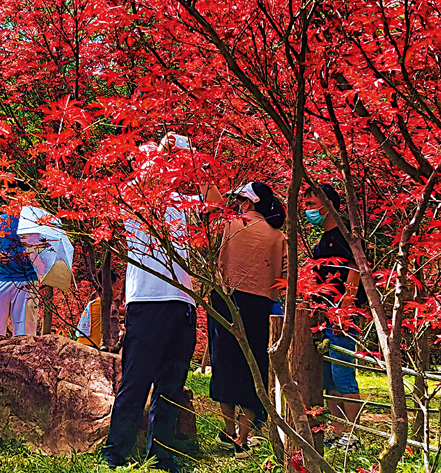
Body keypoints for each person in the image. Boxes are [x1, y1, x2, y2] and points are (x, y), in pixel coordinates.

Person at [103, 133, 221, 472]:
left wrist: (190, 156)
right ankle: (116, 451)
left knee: (172, 383)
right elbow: (132, 186)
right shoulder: (135, 200)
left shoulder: (182, 204)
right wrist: (158, 156)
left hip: (183, 302)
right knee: (136, 380)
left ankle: (163, 454)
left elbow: (214, 204)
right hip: (147, 302)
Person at [209, 182, 288, 457]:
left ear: (250, 202)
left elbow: (218, 262)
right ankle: (244, 437)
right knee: (254, 364)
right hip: (260, 306)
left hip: (227, 300)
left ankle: (228, 430)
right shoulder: (278, 236)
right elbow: (285, 275)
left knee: (225, 362)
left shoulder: (231, 225)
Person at [304, 183, 365, 451]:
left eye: (310, 204)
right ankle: (337, 431)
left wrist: (344, 310)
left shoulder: (344, 236)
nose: (307, 210)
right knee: (329, 380)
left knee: (343, 375)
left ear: (328, 205)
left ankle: (354, 433)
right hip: (323, 317)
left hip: (341, 317)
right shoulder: (321, 242)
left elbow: (355, 270)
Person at [0, 206, 40, 351]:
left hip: (28, 279)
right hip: (3, 277)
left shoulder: (35, 220)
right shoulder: (0, 220)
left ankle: (25, 366)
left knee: (25, 329)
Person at [76, 271, 122, 350]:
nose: (120, 292)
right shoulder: (103, 304)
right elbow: (122, 311)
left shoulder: (96, 302)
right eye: (118, 288)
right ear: (108, 288)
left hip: (85, 344)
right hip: (90, 346)